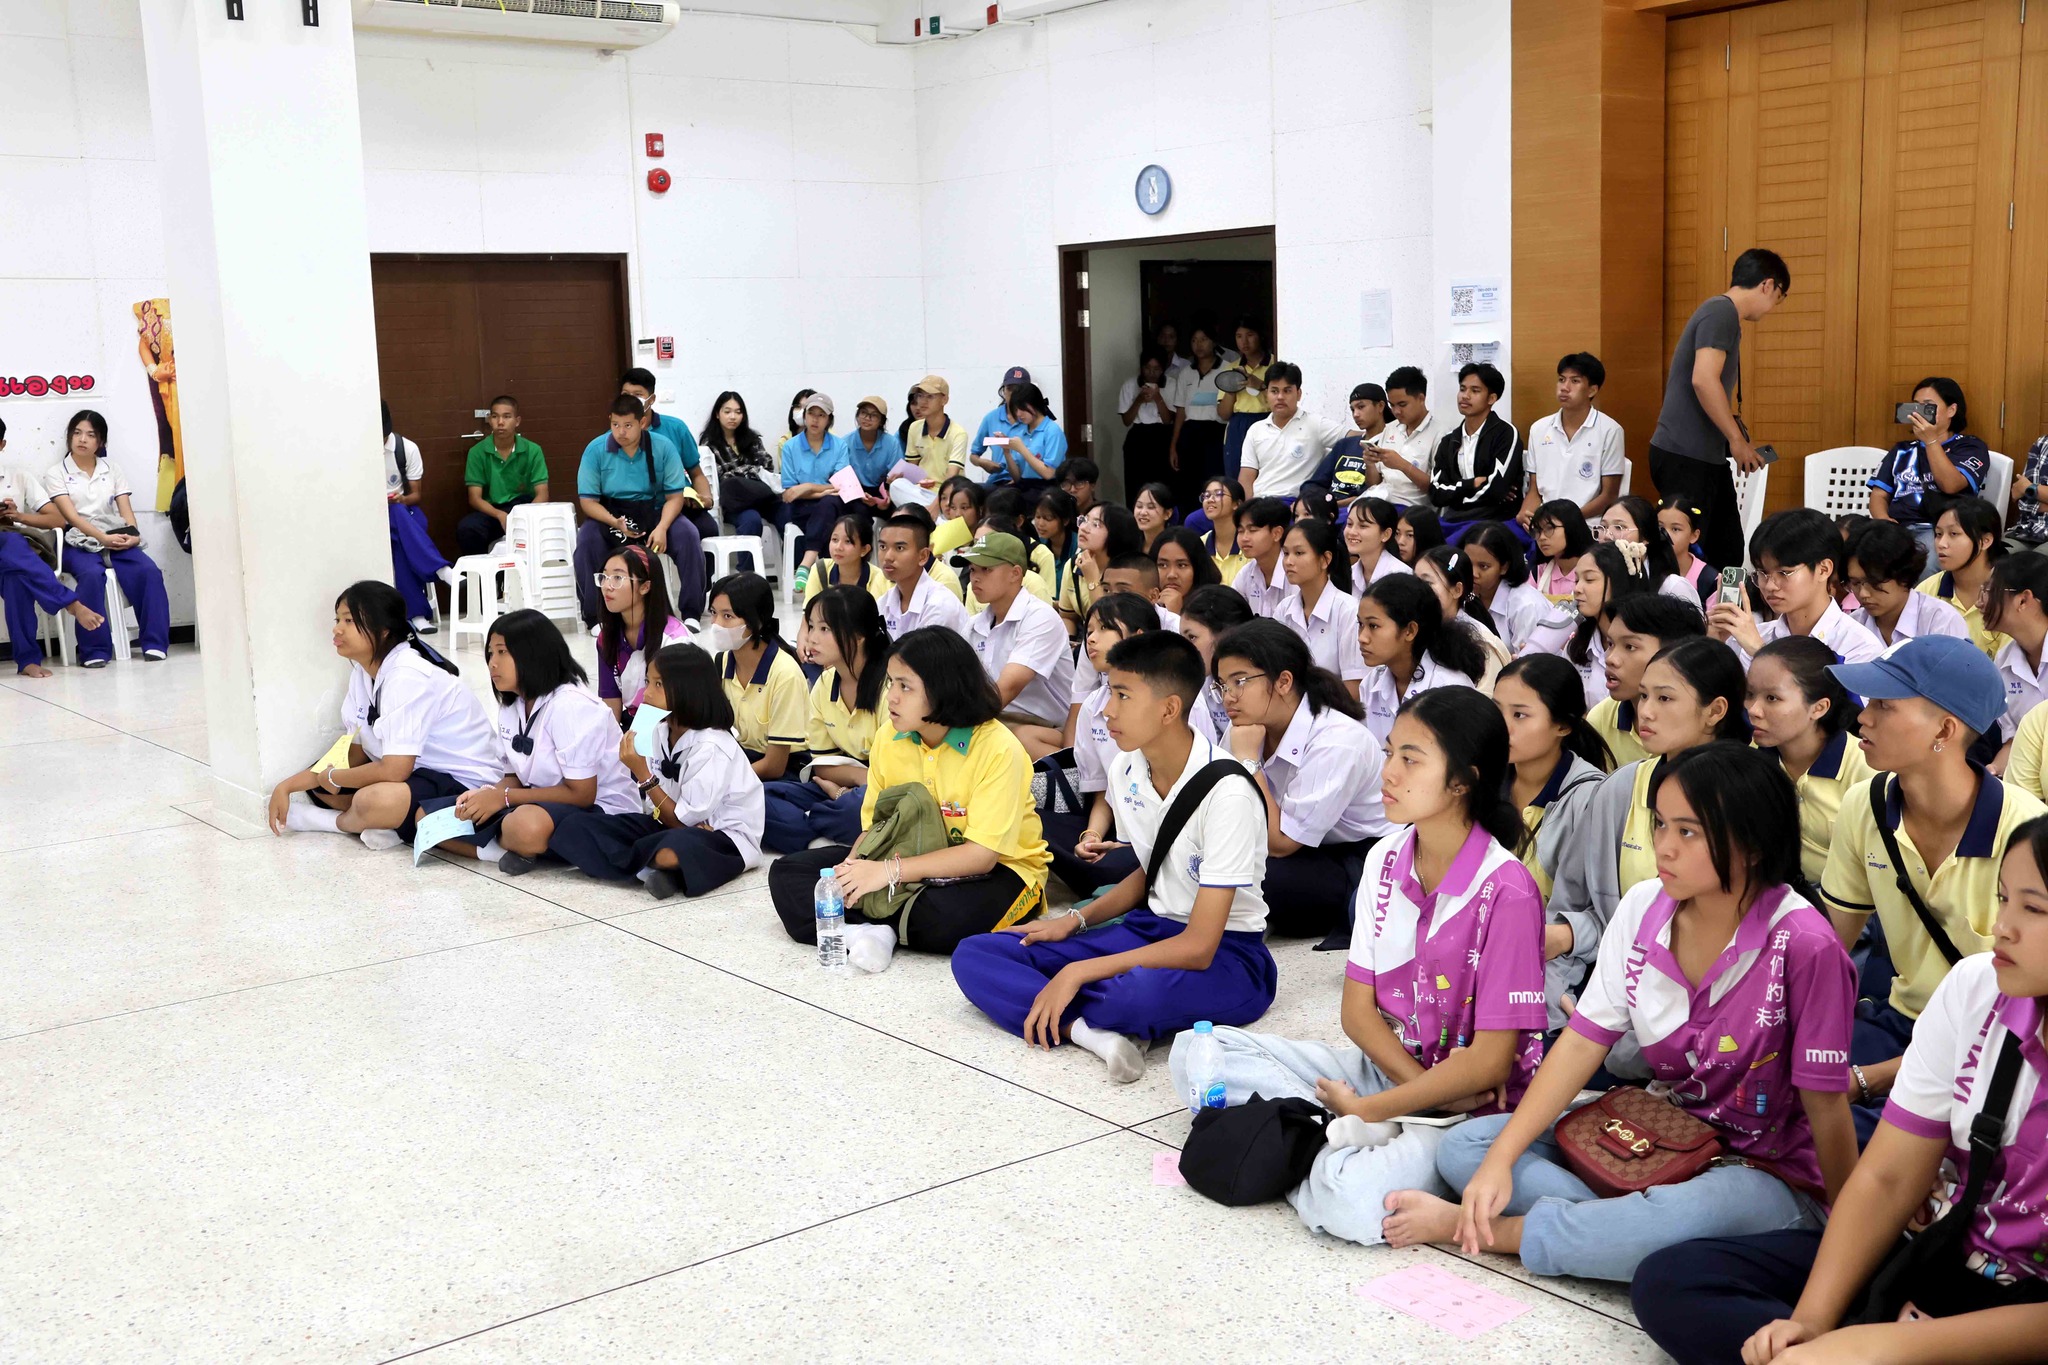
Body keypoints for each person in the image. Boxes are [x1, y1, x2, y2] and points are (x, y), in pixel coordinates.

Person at [1385, 742, 1857, 1284]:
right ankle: (1624, 1228)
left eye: (1688, 832)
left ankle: (1497, 1231)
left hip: (1762, 1171)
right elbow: (1581, 1044)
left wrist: (1849, 1236)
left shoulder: (1805, 945)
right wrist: (1499, 1161)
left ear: (1751, 844)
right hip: (1660, 1134)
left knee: (1683, 1215)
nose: (1664, 847)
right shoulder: (1643, 907)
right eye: (1660, 824)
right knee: (1469, 1148)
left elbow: (1826, 1109)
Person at [1633, 815, 2048, 1365]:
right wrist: (1811, 1324)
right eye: (2003, 899)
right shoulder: (1978, 988)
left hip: (2022, 1316)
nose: (2002, 927)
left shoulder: (1799, 937)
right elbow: (1886, 1177)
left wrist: (1886, 1348)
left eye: (2034, 909)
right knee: (1672, 1281)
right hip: (1936, 1256)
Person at [1167, 686, 1549, 1245]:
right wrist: (1393, 1098)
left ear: (1463, 781)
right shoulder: (1385, 857)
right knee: (1198, 1051)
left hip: (1471, 1112)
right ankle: (1345, 1133)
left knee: (1348, 1201)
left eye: (1410, 759)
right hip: (1395, 1070)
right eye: (1390, 752)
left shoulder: (1507, 890)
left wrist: (1374, 1108)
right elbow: (1357, 1013)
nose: (1387, 772)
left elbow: (1490, 1064)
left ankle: (1315, 1137)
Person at [956, 626, 1275, 1072]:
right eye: (1109, 692)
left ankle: (1083, 1006)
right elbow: (1151, 871)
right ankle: (1088, 1032)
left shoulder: (1229, 793)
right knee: (976, 953)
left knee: (1134, 996)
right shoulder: (1127, 768)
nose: (1107, 710)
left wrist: (1080, 970)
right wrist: (1075, 920)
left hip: (1228, 954)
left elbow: (1200, 946)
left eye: (1123, 695)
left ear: (1169, 709)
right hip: (1150, 928)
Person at [1823, 635, 2048, 1140]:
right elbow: (1832, 947)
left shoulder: (2024, 835)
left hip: (1994, 1047)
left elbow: (2023, 1017)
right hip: (1900, 1020)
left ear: (1945, 730)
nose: (1863, 718)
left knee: (1854, 1142)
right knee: (1783, 1109)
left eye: (1884, 705)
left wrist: (1866, 1080)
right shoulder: (1865, 805)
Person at [767, 626, 1052, 966]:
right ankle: (871, 931)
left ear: (944, 689)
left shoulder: (998, 748)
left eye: (905, 686)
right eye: (891, 683)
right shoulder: (889, 737)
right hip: (906, 856)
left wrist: (887, 873)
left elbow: (981, 856)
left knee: (949, 917)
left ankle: (873, 925)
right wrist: (853, 869)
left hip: (999, 870)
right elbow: (876, 828)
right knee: (789, 874)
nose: (891, 697)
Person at [1546, 637, 1752, 1033]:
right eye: (1643, 696)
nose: (1645, 711)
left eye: (1665, 698)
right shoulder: (1621, 789)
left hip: (1718, 1014)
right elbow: (1572, 908)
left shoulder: (1752, 796)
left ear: (1715, 711)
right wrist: (1560, 1014)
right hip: (1611, 1000)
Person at [265, 581, 502, 845]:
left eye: (349, 621)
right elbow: (353, 753)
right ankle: (386, 826)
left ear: (384, 630)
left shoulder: (407, 675)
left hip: (464, 784)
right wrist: (288, 786)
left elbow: (395, 770)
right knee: (319, 787)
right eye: (337, 619)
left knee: (371, 800)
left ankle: (336, 823)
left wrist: (333, 776)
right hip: (416, 776)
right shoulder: (361, 673)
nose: (337, 629)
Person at [416, 609, 642, 877]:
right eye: (490, 653)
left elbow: (581, 794)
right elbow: (513, 778)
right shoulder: (512, 705)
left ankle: (519, 845)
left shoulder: (571, 705)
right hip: (536, 802)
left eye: (502, 652)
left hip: (600, 811)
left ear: (533, 653)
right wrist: (486, 794)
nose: (492, 663)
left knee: (525, 826)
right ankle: (505, 852)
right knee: (427, 817)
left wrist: (503, 798)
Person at [1214, 619, 1390, 938]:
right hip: (1295, 848)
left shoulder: (1337, 741)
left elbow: (1281, 843)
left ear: (1284, 681)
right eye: (1222, 685)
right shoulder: (1245, 727)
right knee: (1193, 861)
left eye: (1240, 681)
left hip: (1356, 858)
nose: (1228, 697)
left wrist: (1249, 762)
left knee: (1244, 877)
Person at [1650, 247, 1792, 569]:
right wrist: (1736, 440)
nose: (1773, 306)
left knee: (1726, 550)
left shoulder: (1722, 314)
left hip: (1701, 455)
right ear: (1768, 285)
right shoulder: (1720, 312)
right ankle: (1680, 602)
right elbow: (1703, 380)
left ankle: (1719, 603)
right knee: (1689, 553)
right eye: (1779, 297)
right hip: (1685, 455)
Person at [602, 642, 765, 899]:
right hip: (672, 825)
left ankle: (647, 862)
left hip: (721, 838)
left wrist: (643, 775)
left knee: (670, 852)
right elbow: (657, 809)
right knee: (585, 826)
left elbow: (683, 819)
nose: (646, 694)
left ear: (687, 689)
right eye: (647, 682)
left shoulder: (711, 745)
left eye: (658, 684)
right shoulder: (658, 730)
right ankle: (662, 869)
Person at [1042, 593, 1159, 899]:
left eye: (1104, 628)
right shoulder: (1094, 704)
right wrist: (1091, 836)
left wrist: (1130, 843)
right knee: (1031, 820)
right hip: (1117, 827)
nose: (1091, 639)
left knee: (1118, 866)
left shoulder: (1170, 699)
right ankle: (1108, 873)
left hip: (1164, 833)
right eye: (1089, 630)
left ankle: (1120, 877)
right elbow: (1103, 792)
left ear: (1138, 637)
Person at [38, 408, 171, 664]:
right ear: (69, 436)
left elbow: (126, 511)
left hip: (113, 535)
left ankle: (155, 642)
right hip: (76, 540)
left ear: (101, 441)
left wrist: (133, 535)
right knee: (90, 575)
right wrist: (101, 538)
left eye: (90, 435)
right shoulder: (57, 473)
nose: (82, 439)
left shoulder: (112, 469)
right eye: (77, 433)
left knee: (148, 571)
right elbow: (71, 517)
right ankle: (94, 650)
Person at [761, 586, 887, 854]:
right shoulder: (824, 683)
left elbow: (894, 777)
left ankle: (809, 830)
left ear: (859, 636)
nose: (811, 638)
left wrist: (846, 792)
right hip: (848, 783)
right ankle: (827, 833)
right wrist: (849, 784)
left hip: (886, 788)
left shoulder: (891, 686)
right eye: (811, 627)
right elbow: (822, 766)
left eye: (825, 629)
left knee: (860, 807)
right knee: (760, 796)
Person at [1749, 635, 1872, 888]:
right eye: (1750, 694)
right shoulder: (1750, 759)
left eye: (1772, 698)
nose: (1753, 710)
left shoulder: (1865, 770)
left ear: (1819, 708)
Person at [574, 394, 700, 625]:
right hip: (611, 515)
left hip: (656, 512)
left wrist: (662, 528)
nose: (620, 432)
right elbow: (588, 502)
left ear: (642, 423)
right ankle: (594, 617)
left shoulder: (663, 447)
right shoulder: (595, 450)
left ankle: (691, 613)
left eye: (628, 425)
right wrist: (614, 522)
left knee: (688, 535)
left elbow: (675, 497)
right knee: (587, 540)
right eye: (615, 425)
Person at [1495, 654, 1611, 899]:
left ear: (1563, 726)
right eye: (1496, 710)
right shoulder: (1483, 780)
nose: (1501, 727)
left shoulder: (1589, 799)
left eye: (1519, 715)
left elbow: (1587, 906)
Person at [1711, 509, 1884, 667]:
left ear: (1823, 570)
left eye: (1784, 573)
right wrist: (1714, 645)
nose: (1770, 585)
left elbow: (1815, 692)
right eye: (1763, 573)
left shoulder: (1859, 647)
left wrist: (1759, 651)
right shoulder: (1750, 637)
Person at [962, 532, 1074, 759]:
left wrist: (959, 725)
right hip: (996, 718)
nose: (975, 578)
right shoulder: (974, 625)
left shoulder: (1040, 617)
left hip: (1047, 727)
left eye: (986, 569)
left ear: (1015, 573)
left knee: (1014, 739)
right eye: (973, 570)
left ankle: (1075, 781)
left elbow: (1008, 687)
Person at [0, 436, 103, 678]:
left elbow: (57, 520)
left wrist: (17, 516)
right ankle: (71, 604)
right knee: (12, 544)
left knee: (17, 578)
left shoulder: (19, 477)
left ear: (2, 444)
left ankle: (27, 660)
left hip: (10, 556)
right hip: (11, 548)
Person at [1868, 376, 1988, 560]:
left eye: (1928, 406)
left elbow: (1950, 485)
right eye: (1915, 406)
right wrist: (1883, 520)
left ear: (1951, 410)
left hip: (1939, 529)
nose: (1920, 413)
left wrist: (1931, 441)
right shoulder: (1902, 450)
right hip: (1897, 528)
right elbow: (1879, 495)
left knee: (1926, 555)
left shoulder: (1970, 447)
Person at [703, 572, 807, 783]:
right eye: (713, 613)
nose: (716, 624)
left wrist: (724, 781)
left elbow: (775, 766)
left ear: (756, 621)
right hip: (744, 760)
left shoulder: (785, 674)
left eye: (727, 616)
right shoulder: (721, 663)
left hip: (786, 771)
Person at [1358, 575, 1486, 743]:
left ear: (1410, 631)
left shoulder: (1450, 688)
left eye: (1373, 626)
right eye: (1360, 624)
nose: (1362, 637)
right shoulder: (1371, 683)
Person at [1586, 592, 1708, 769]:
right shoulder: (1602, 718)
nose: (1610, 659)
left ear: (1676, 653)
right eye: (1610, 644)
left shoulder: (1706, 720)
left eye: (1630, 647)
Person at [375, 400, 455, 634]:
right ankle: (439, 569)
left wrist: (400, 499)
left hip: (404, 511)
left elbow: (416, 495)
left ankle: (416, 614)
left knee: (400, 530)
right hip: (372, 517)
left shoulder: (406, 449)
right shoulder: (356, 452)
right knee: (402, 540)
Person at [1520, 352, 1624, 527]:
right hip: (1545, 522)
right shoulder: (1538, 429)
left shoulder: (1610, 430)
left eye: (1575, 381)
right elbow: (1534, 491)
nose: (1564, 387)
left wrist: (1566, 520)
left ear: (1592, 390)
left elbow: (1609, 496)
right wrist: (1526, 513)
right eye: (1561, 380)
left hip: (1587, 523)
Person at [594, 543, 692, 726]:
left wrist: (637, 738)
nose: (607, 586)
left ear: (645, 586)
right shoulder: (606, 638)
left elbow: (682, 707)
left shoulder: (674, 639)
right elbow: (611, 702)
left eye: (617, 577)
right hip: (634, 723)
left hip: (671, 725)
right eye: (604, 577)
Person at [1273, 518, 1366, 699]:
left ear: (1325, 559)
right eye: (1285, 553)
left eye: (1299, 553)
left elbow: (1354, 690)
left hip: (1337, 711)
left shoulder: (1348, 610)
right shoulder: (1283, 609)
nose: (1288, 561)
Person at [1565, 539, 1664, 709]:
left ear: (1619, 581)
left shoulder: (1651, 642)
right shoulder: (1576, 645)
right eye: (1576, 580)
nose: (1577, 589)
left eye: (1589, 579)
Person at [619, 367, 714, 541]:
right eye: (626, 394)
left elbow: (696, 473)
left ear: (651, 399)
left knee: (707, 528)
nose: (630, 400)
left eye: (637, 395)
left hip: (679, 502)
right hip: (638, 508)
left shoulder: (676, 428)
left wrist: (706, 498)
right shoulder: (616, 435)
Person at [1428, 363, 1523, 532]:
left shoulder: (1505, 433)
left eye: (1475, 391)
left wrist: (1457, 499)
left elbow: (1496, 490)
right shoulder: (1449, 441)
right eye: (1462, 389)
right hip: (1456, 519)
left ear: (1491, 398)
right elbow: (1436, 493)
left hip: (1496, 520)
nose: (1465, 396)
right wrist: (1471, 484)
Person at [1845, 518, 1968, 646]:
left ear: (1904, 575)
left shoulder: (1941, 621)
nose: (1863, 593)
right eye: (1856, 583)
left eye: (1875, 582)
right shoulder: (1851, 627)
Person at [1238, 361, 1347, 503]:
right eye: (1274, 391)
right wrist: (1246, 509)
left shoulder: (1315, 424)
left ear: (1299, 394)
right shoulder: (1256, 429)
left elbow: (1353, 438)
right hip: (1260, 503)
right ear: (1266, 394)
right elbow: (1246, 477)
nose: (1280, 397)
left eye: (1287, 391)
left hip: (1295, 503)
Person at [779, 393, 852, 593]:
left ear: (829, 420)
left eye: (822, 415)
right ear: (804, 416)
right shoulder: (790, 447)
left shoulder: (839, 446)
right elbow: (790, 493)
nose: (815, 420)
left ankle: (806, 563)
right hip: (803, 507)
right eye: (811, 414)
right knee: (829, 513)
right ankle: (834, 582)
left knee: (829, 505)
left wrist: (807, 486)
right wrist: (818, 492)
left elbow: (840, 486)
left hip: (832, 503)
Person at [459, 395, 549, 556]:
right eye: (495, 417)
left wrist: (521, 517)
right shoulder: (477, 452)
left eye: (507, 417)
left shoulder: (533, 450)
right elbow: (474, 498)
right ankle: (481, 570)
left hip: (524, 507)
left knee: (546, 528)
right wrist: (499, 515)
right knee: (467, 528)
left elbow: (542, 494)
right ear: (490, 420)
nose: (500, 422)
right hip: (492, 511)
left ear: (517, 421)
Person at [1415, 545, 1513, 689]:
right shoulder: (1413, 630)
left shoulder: (1483, 644)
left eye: (1427, 583)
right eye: (1414, 581)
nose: (1416, 590)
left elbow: (1486, 699)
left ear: (1457, 590)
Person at [1920, 496, 2007, 658]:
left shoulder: (2009, 594)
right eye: (1938, 534)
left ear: (1985, 541)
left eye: (1953, 534)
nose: (1941, 543)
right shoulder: (1927, 590)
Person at [698, 390, 780, 550]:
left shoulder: (752, 438)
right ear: (717, 414)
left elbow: (767, 467)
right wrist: (752, 471)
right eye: (727, 412)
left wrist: (744, 474)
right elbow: (722, 478)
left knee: (787, 512)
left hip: (760, 498)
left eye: (738, 412)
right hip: (735, 503)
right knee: (751, 520)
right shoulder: (709, 443)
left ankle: (798, 562)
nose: (733, 417)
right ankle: (748, 566)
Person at [1462, 520, 1552, 655]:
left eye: (1483, 566)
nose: (1473, 573)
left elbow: (1530, 663)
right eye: (1468, 564)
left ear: (1504, 567)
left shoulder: (1526, 605)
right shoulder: (1465, 595)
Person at [1301, 383, 1393, 513]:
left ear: (1380, 406)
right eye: (1352, 409)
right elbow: (1315, 483)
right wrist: (1312, 501)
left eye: (1361, 407)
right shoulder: (1344, 445)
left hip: (1359, 511)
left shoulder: (1390, 445)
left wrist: (1331, 505)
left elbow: (1374, 492)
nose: (1355, 414)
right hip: (1326, 507)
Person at [876, 511, 970, 638]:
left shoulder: (940, 606)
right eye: (883, 547)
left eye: (899, 548)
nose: (888, 557)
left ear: (923, 556)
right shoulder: (883, 602)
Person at [1168, 327, 1231, 518]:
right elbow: (1180, 411)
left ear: (1213, 341)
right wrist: (1174, 445)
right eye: (1194, 340)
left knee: (1214, 481)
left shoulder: (1227, 369)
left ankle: (1214, 522)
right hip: (1190, 432)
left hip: (1216, 432)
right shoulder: (1186, 372)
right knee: (1188, 484)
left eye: (1203, 339)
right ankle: (1189, 524)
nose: (1199, 345)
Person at [1178, 585, 1252, 745]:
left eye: (1192, 637)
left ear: (1225, 635)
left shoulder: (1256, 683)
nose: (1183, 649)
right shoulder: (1204, 682)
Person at [1361, 365, 1439, 509]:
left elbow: (1437, 491)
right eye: (1392, 405)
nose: (1396, 411)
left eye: (1402, 404)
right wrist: (1370, 464)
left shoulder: (1440, 434)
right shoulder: (1390, 428)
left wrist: (1402, 465)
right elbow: (1373, 484)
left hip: (1412, 509)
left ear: (1421, 398)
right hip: (1380, 502)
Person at [1058, 501, 1143, 631]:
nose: (1084, 528)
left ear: (1116, 534)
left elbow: (1108, 621)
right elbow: (1067, 616)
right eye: (1084, 520)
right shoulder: (1074, 564)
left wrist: (1092, 579)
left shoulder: (1129, 571)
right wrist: (1071, 639)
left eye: (1096, 524)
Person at [982, 382, 1066, 500]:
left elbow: (1048, 473)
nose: (1018, 414)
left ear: (1035, 404)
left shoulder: (1052, 430)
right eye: (1015, 410)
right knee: (990, 496)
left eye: (1022, 409)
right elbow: (1017, 477)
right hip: (1024, 486)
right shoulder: (1022, 432)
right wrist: (1007, 451)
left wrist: (1022, 449)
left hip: (1046, 488)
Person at [1216, 317, 1273, 480]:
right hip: (1238, 424)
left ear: (1260, 336)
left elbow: (1285, 401)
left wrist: (1261, 385)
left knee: (1266, 475)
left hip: (1268, 420)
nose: (1244, 341)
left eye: (1250, 335)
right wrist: (1231, 389)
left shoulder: (1275, 363)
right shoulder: (1231, 368)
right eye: (1239, 336)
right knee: (1236, 476)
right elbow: (1223, 414)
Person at [1119, 349, 1175, 499]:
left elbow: (1168, 420)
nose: (1151, 373)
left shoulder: (1171, 384)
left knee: (1163, 485)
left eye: (1156, 369)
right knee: (1135, 484)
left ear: (1163, 369)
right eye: (1147, 368)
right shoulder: (1129, 385)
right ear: (1141, 368)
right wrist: (1139, 400)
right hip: (1138, 436)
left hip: (1163, 436)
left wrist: (1157, 398)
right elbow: (1126, 421)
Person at [1229, 496, 1295, 618]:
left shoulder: (1296, 574)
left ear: (1276, 533)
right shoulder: (1245, 574)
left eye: (1253, 530)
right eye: (1240, 531)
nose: (1244, 538)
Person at [801, 514, 887, 606]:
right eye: (835, 539)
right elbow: (808, 612)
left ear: (864, 549)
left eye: (848, 541)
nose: (838, 547)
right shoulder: (821, 570)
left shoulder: (879, 578)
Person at [970, 366, 1029, 484]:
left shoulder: (1034, 419)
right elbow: (974, 455)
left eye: (1019, 389)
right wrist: (982, 463)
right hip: (998, 480)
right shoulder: (991, 418)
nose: (1014, 394)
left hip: (1027, 480)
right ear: (1003, 391)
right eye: (1010, 389)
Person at [1530, 498, 1594, 604]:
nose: (1541, 537)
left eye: (1549, 528)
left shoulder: (1596, 569)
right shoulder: (1538, 572)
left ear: (1571, 527)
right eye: (1538, 531)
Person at [845, 395, 907, 502]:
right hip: (855, 492)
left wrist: (887, 496)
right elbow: (843, 478)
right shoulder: (845, 443)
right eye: (863, 413)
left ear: (881, 421)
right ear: (857, 415)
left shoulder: (891, 443)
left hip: (884, 490)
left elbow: (897, 476)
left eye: (874, 415)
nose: (867, 418)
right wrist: (859, 495)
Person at [1656, 496, 1715, 608]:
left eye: (1675, 529)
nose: (1665, 535)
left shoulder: (1709, 580)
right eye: (1660, 527)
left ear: (1694, 536)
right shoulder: (1642, 568)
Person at [1341, 497, 1409, 591]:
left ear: (1386, 534)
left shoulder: (1401, 577)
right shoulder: (1349, 574)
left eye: (1363, 526)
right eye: (1349, 524)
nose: (1352, 532)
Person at [1152, 525, 1221, 615]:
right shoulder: (1143, 605)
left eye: (1182, 565)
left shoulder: (1216, 608)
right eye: (1163, 565)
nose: (1171, 575)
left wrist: (1174, 615)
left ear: (1197, 567)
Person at [1030, 487, 1080, 600]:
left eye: (1048, 518)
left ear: (1065, 520)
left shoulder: (1079, 546)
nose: (1040, 523)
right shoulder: (1038, 546)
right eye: (1038, 517)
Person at [1199, 476, 1248, 582]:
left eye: (1218, 494)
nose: (1210, 500)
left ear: (1237, 504)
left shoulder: (1249, 541)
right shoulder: (1200, 544)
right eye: (1206, 495)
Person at [1131, 481, 1176, 555]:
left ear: (1167, 514)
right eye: (1139, 506)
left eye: (1151, 507)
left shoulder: (1174, 546)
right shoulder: (1130, 544)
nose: (1143, 512)